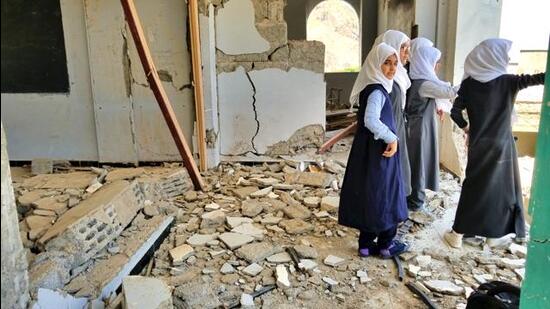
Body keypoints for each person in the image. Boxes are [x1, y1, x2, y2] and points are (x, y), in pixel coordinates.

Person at [444, 38, 545, 248]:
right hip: (502, 145)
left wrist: (466, 128)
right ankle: (492, 235)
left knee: (473, 186)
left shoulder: (469, 84)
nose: (507, 59)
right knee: (500, 188)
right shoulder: (509, 81)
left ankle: (457, 234)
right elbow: (539, 79)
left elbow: (454, 112)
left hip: (479, 144)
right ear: (496, 57)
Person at [339, 43, 408, 259]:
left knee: (370, 193)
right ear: (375, 64)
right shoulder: (377, 90)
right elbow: (371, 120)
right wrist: (392, 138)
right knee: (386, 194)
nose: (391, 68)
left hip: (368, 152)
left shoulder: (371, 87)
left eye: (395, 63)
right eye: (386, 63)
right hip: (380, 152)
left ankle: (366, 246)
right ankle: (386, 245)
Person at [406, 45, 458, 211]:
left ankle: (414, 198)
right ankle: (415, 201)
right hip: (419, 129)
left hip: (421, 127)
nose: (438, 66)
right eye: (435, 62)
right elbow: (450, 92)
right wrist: (473, 81)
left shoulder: (417, 80)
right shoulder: (423, 84)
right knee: (418, 163)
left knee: (418, 162)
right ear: (426, 62)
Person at [372, 30, 413, 196]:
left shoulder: (397, 76)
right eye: (403, 48)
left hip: (396, 131)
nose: (406, 54)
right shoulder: (385, 79)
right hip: (388, 134)